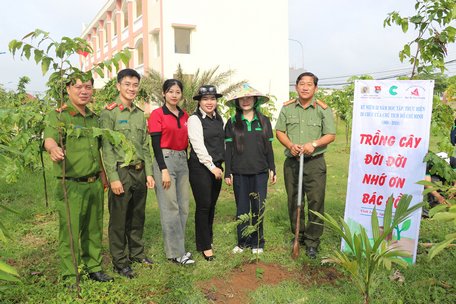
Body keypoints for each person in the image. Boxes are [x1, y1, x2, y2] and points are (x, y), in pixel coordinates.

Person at [44, 78, 113, 283]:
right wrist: (53, 148)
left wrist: (102, 174)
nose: (84, 91)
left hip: (94, 183)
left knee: (94, 228)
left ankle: (94, 266)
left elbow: (97, 149)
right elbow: (49, 138)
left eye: (88, 87)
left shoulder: (94, 118)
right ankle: (70, 274)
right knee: (71, 230)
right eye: (78, 87)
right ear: (68, 89)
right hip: (71, 183)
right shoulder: (60, 116)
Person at [100, 69, 155, 279]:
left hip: (140, 172)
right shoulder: (110, 112)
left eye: (135, 85)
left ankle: (137, 254)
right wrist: (113, 177)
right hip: (121, 172)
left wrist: (149, 173)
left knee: (137, 216)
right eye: (127, 84)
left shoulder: (140, 114)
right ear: (118, 86)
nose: (131, 89)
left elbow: (145, 146)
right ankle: (120, 262)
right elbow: (106, 148)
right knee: (119, 220)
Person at [275, 72, 336, 259]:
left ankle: (312, 241)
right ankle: (298, 234)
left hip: (314, 163)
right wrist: (290, 145)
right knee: (294, 199)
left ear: (315, 88)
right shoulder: (287, 108)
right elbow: (279, 131)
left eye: (309, 84)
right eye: (302, 84)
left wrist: (314, 144)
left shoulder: (322, 109)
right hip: (292, 162)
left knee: (316, 201)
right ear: (296, 87)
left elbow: (330, 135)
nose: (305, 87)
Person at [224, 83, 277, 254]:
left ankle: (258, 242)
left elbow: (269, 148)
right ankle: (242, 242)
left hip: (260, 173)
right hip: (239, 173)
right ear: (237, 101)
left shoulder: (264, 121)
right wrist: (228, 171)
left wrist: (272, 168)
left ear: (255, 100)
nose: (245, 101)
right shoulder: (231, 122)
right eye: (242, 98)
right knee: (242, 209)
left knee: (258, 207)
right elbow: (228, 150)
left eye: (249, 97)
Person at [148, 79, 194, 265]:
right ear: (164, 93)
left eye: (177, 92)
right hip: (165, 160)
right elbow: (155, 145)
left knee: (183, 206)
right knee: (170, 207)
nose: (174, 95)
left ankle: (179, 247)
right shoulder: (157, 114)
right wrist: (163, 169)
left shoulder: (185, 116)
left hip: (183, 160)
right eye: (170, 91)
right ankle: (175, 253)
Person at [188, 85, 225, 261]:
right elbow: (198, 146)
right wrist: (212, 167)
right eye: (205, 99)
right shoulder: (194, 120)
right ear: (199, 102)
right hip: (201, 167)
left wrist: (222, 166)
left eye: (212, 99)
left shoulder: (219, 119)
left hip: (217, 167)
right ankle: (204, 245)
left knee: (212, 205)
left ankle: (207, 238)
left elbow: (221, 143)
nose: (209, 102)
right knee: (203, 206)